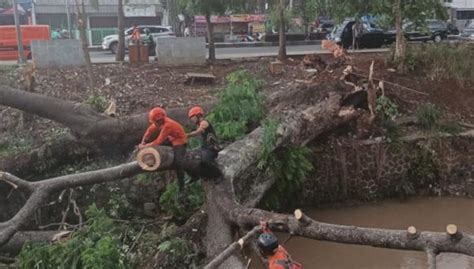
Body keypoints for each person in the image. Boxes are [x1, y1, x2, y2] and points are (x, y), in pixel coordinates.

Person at [139, 107, 187, 192]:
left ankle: (182, 187)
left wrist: (145, 146)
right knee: (157, 147)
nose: (154, 124)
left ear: (159, 120)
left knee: (179, 163)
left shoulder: (167, 125)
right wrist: (143, 141)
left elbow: (158, 141)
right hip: (171, 138)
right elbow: (149, 131)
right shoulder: (159, 122)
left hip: (179, 140)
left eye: (155, 122)